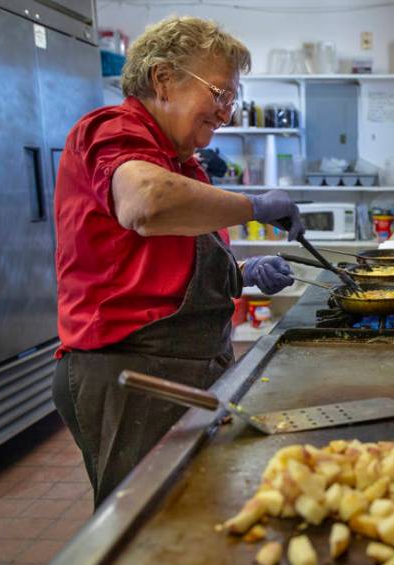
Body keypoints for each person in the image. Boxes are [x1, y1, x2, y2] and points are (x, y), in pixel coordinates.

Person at [51, 16, 303, 507]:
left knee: (193, 513)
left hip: (183, 367)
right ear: (163, 79)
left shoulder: (180, 162)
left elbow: (163, 263)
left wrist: (242, 274)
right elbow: (146, 205)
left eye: (233, 99)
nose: (227, 113)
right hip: (133, 373)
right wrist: (254, 207)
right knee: (150, 528)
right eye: (220, 94)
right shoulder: (112, 130)